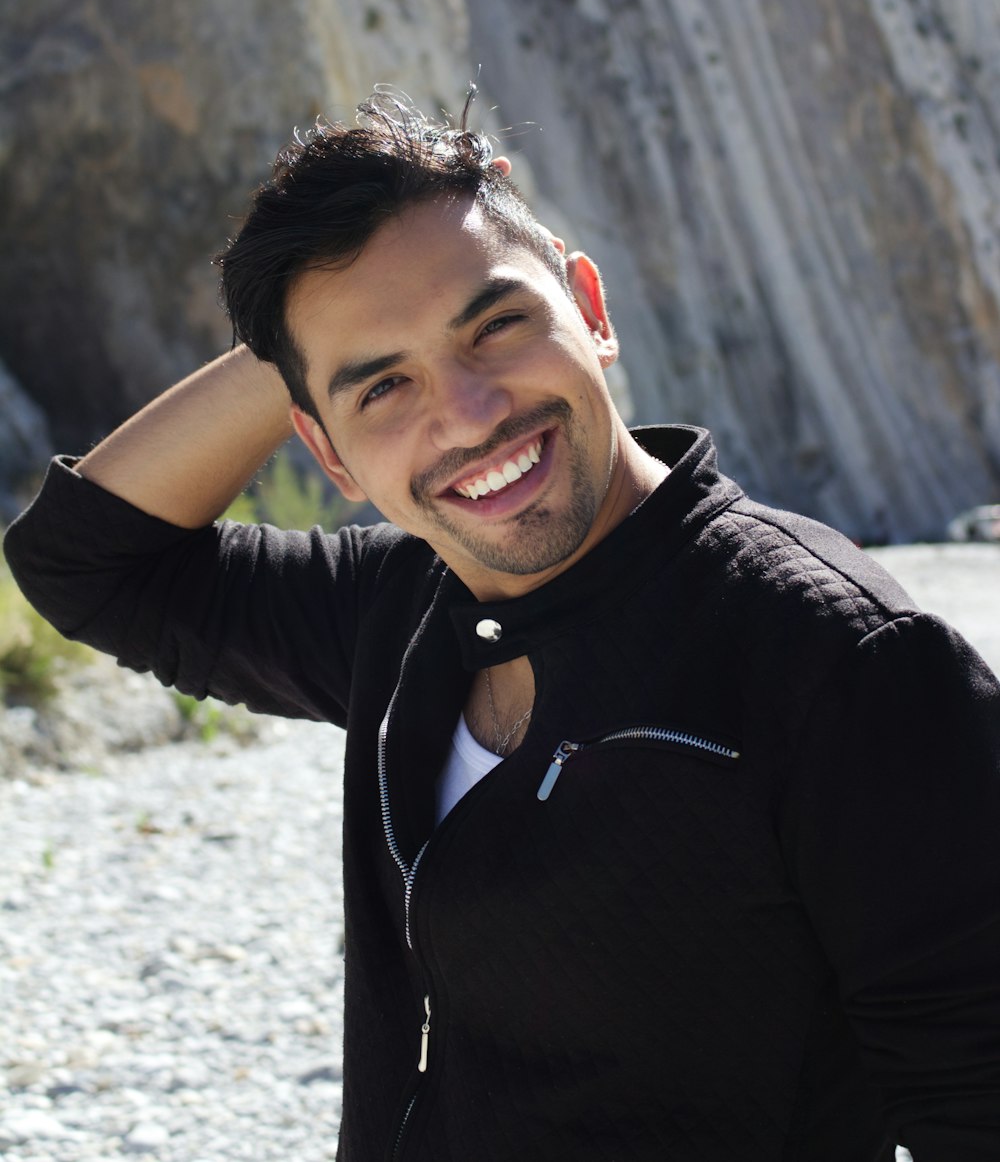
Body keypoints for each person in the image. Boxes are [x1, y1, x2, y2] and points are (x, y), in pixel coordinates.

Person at [5, 90, 1000, 1162]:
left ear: (591, 307)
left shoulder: (840, 660)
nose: (470, 413)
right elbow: (85, 562)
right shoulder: (393, 607)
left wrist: (350, 323)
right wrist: (299, 325)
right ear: (327, 454)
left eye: (495, 324)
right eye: (382, 387)